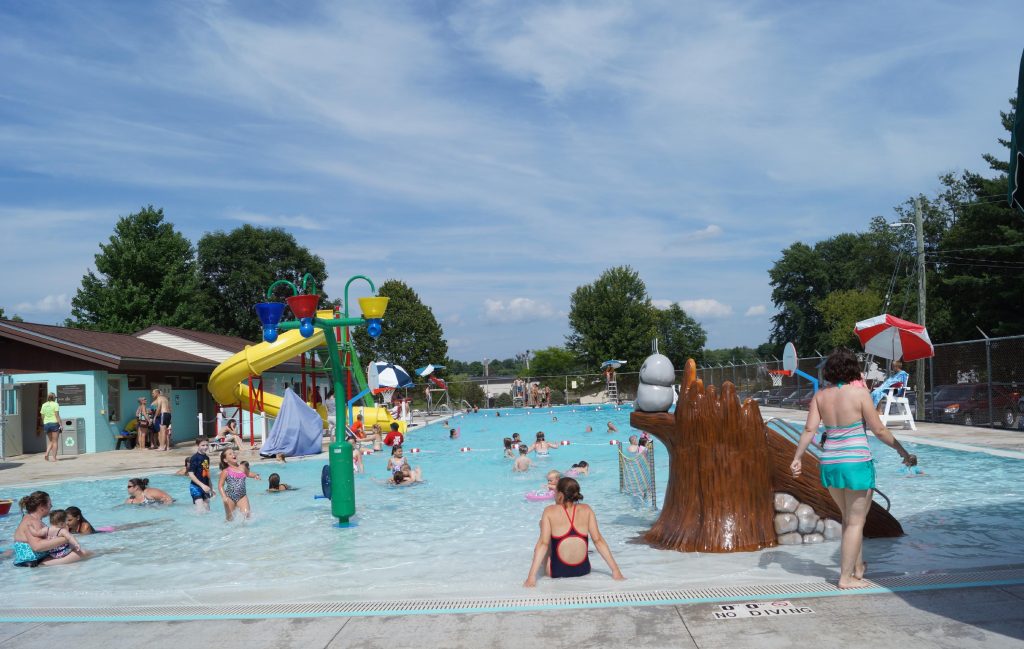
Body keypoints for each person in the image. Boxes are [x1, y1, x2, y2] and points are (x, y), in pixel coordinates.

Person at [791, 348, 917, 590]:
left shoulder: (820, 396)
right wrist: (902, 451)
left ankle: (858, 568)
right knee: (856, 522)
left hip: (830, 464)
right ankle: (845, 577)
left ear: (829, 371)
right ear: (852, 369)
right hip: (856, 463)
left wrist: (797, 457)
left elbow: (809, 430)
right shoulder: (859, 394)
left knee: (849, 520)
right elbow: (879, 430)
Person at [524, 477, 624, 586]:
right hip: (583, 569)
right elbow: (598, 541)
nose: (554, 495)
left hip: (556, 572)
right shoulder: (587, 509)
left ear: (561, 494)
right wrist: (616, 571)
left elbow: (543, 544)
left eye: (555, 492)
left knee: (543, 534)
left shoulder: (549, 511)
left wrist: (531, 578)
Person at [12, 491, 89, 566]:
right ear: (41, 506)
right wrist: (67, 538)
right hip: (33, 562)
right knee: (84, 553)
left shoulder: (29, 518)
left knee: (82, 553)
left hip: (34, 560)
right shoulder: (32, 521)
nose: (51, 506)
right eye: (49, 504)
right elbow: (37, 546)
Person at [218, 448, 251, 521]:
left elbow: (248, 474)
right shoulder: (225, 471)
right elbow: (220, 485)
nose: (233, 454)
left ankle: (245, 531)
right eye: (230, 454)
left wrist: (255, 475)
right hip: (230, 497)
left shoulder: (242, 467)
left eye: (233, 453)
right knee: (230, 519)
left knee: (247, 515)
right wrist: (224, 497)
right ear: (225, 460)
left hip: (242, 496)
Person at [187, 437, 214, 512]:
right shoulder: (194, 458)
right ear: (197, 445)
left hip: (205, 487)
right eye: (203, 445)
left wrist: (211, 488)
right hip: (196, 487)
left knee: (207, 510)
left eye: (207, 445)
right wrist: (202, 485)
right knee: (200, 509)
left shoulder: (207, 458)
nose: (205, 447)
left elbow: (207, 473)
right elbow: (191, 474)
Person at [39, 392, 61, 462]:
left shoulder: (44, 405)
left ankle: (46, 454)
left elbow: (42, 415)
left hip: (46, 424)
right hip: (54, 423)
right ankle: (54, 458)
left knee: (51, 441)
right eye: (55, 398)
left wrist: (44, 422)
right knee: (55, 441)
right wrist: (60, 424)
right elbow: (57, 415)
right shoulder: (55, 404)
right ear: (54, 398)